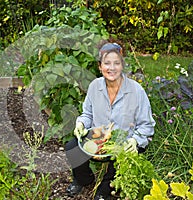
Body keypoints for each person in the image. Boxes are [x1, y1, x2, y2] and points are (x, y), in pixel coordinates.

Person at [65, 42, 155, 200]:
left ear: (122, 65)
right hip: (99, 140)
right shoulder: (95, 87)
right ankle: (84, 180)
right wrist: (81, 123)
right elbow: (87, 114)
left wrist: (135, 140)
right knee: (72, 147)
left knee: (116, 169)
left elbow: (146, 124)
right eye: (107, 63)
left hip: (125, 143)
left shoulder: (136, 90)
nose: (111, 68)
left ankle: (104, 190)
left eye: (116, 63)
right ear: (100, 66)